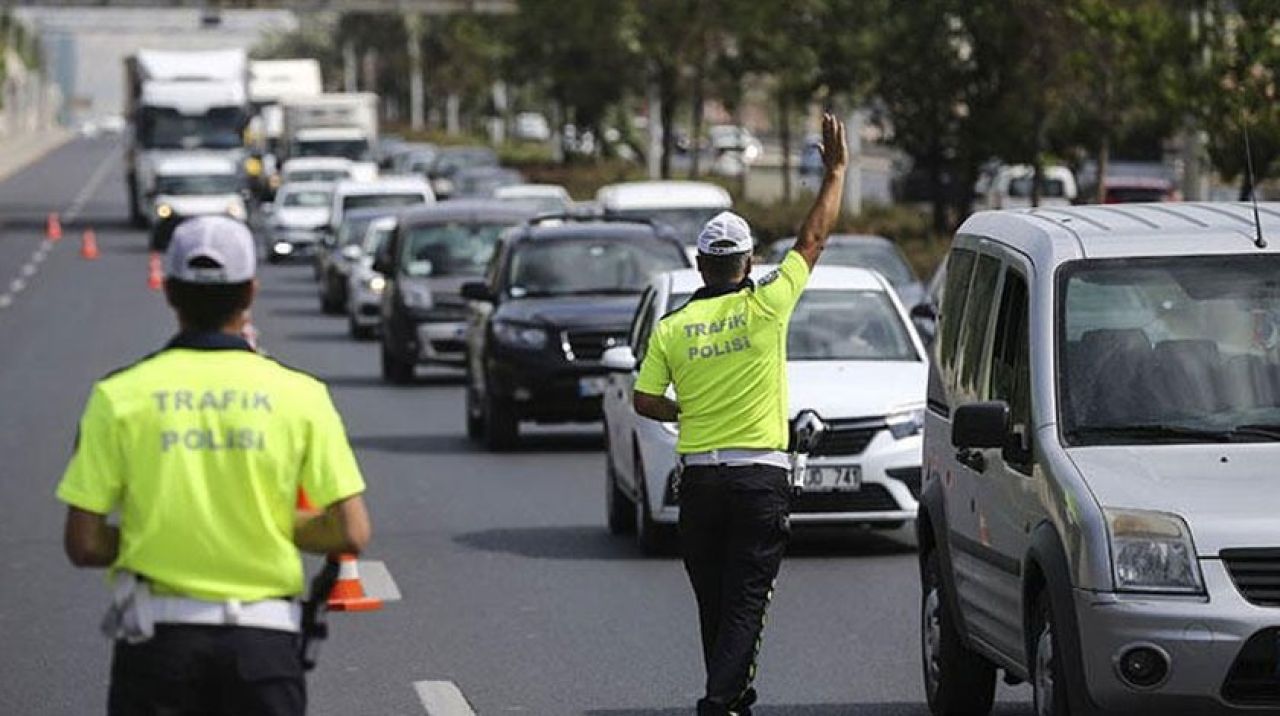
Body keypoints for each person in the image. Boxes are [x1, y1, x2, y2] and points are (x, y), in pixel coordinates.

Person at [56, 215, 372, 716]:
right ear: (249, 292)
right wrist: (262, 525)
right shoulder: (301, 396)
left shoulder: (117, 397)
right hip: (264, 650)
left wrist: (158, 534)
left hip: (157, 648)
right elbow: (350, 531)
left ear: (170, 292)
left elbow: (84, 541)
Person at [632, 113, 847, 716]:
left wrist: (685, 408)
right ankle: (717, 702)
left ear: (701, 266)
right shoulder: (767, 306)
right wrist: (834, 173)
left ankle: (730, 699)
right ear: (748, 264)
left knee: (716, 602)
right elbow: (812, 242)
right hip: (760, 480)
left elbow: (643, 400)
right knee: (747, 602)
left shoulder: (673, 328)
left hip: (699, 482)